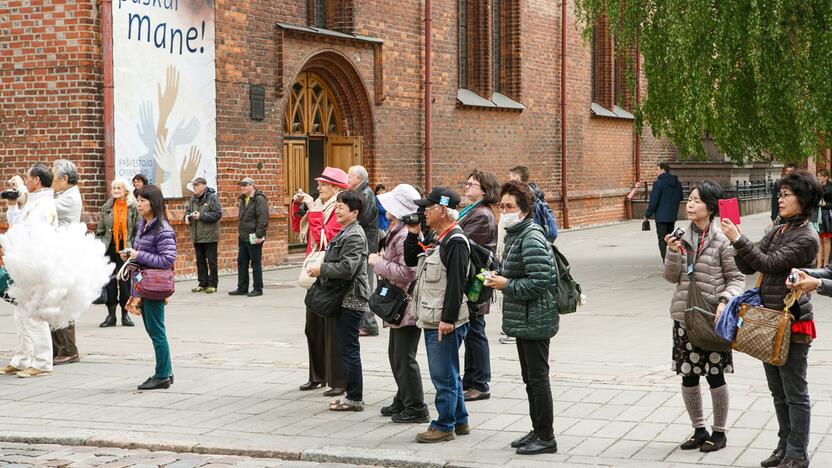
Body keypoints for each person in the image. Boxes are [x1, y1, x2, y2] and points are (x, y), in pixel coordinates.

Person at [723, 170, 821, 468]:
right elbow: (750, 265)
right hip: (769, 321)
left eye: (786, 195)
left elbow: (769, 262)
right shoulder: (779, 229)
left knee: (795, 392)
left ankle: (797, 452)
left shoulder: (807, 237)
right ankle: (784, 445)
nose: (780, 199)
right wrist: (737, 240)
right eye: (779, 194)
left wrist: (740, 241)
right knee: (778, 391)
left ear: (803, 200)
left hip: (792, 322)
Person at [662, 181, 745, 454]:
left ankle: (719, 433)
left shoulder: (722, 240)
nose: (690, 204)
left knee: (715, 376)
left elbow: (736, 278)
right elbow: (672, 277)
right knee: (687, 376)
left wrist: (724, 301)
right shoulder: (680, 236)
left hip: (711, 317)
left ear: (710, 207)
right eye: (690, 199)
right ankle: (699, 430)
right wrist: (673, 254)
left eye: (697, 200)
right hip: (684, 317)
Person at [483, 180, 559, 455]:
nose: (504, 211)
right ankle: (537, 429)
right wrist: (499, 275)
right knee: (531, 379)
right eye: (502, 206)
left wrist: (506, 284)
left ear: (525, 210)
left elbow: (541, 281)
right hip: (524, 317)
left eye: (510, 206)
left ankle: (546, 437)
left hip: (536, 318)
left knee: (538, 379)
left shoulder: (531, 236)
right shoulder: (516, 233)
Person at [403, 187, 471, 443]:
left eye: (427, 208)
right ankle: (460, 420)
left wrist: (447, 320)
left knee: (442, 375)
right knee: (450, 372)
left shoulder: (455, 241)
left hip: (444, 320)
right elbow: (411, 259)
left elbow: (456, 284)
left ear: (442, 210)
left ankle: (444, 425)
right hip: (434, 316)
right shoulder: (438, 236)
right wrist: (413, 234)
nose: (423, 212)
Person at [305, 191, 369, 412]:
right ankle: (353, 396)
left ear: (355, 212)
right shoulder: (346, 231)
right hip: (344, 297)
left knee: (349, 349)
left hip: (351, 298)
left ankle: (354, 398)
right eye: (338, 205)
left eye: (343, 206)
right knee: (346, 347)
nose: (338, 210)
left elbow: (347, 268)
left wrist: (321, 269)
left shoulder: (354, 235)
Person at [373, 184, 429, 423]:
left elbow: (408, 272)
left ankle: (415, 407)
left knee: (404, 357)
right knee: (395, 354)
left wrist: (378, 262)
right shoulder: (399, 229)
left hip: (406, 302)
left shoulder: (406, 234)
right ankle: (403, 398)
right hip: (399, 302)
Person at [291, 167, 350, 397]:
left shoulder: (338, 208)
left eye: (323, 184)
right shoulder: (319, 204)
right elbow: (299, 229)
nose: (318, 188)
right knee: (312, 327)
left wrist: (313, 209)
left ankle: (338, 380)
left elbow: (323, 237)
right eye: (319, 184)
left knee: (331, 330)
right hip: (314, 272)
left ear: (336, 188)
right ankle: (317, 375)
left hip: (329, 272)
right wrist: (299, 206)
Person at [1, 164, 58, 378]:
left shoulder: (44, 206)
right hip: (25, 264)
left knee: (35, 314)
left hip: (37, 265)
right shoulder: (34, 202)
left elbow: (33, 235)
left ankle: (43, 363)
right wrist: (13, 204)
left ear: (37, 181)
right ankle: (23, 358)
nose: (25, 181)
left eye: (28, 178)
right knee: (20, 313)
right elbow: (17, 223)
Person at [123, 185, 177, 390]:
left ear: (153, 203)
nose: (139, 203)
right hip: (142, 282)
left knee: (156, 330)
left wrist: (138, 256)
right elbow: (142, 253)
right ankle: (166, 371)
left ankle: (162, 374)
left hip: (154, 284)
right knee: (154, 329)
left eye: (143, 200)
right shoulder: (142, 225)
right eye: (137, 199)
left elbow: (167, 259)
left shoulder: (162, 229)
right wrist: (130, 256)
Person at [458, 169, 498, 402]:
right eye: (467, 183)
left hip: (476, 281)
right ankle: (471, 379)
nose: (466, 186)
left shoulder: (482, 214)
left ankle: (480, 382)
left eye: (471, 184)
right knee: (472, 330)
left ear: (484, 190)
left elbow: (464, 242)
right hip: (471, 279)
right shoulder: (473, 210)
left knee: (475, 331)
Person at [50, 160, 84, 365]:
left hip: (65, 255)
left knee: (63, 302)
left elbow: (43, 206)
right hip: (58, 254)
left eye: (52, 178)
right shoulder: (62, 194)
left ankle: (69, 350)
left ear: (64, 179)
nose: (50, 182)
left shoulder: (69, 198)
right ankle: (58, 349)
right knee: (53, 301)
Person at [96, 179, 139, 328]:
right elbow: (100, 229)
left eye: (118, 188)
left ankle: (125, 315)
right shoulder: (107, 207)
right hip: (110, 249)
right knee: (110, 283)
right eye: (113, 187)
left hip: (125, 251)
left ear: (125, 190)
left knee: (126, 283)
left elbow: (138, 229)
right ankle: (111, 316)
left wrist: (134, 247)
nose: (115, 190)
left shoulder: (133, 207)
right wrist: (101, 245)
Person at [347, 166, 380, 336]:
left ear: (358, 179)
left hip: (366, 246)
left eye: (350, 176)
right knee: (361, 284)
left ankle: (369, 323)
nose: (347, 179)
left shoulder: (365, 195)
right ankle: (363, 322)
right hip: (365, 245)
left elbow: (361, 219)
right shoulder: (361, 193)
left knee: (364, 285)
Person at [229, 177, 269, 297]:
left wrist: (259, 235)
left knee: (255, 263)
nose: (242, 187)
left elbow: (263, 218)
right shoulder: (244, 199)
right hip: (243, 236)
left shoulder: (259, 199)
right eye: (241, 185)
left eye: (245, 185)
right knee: (242, 262)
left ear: (252, 185)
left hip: (254, 236)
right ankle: (242, 287)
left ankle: (258, 288)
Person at [185, 177, 222, 294]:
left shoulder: (212, 197)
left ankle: (213, 284)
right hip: (197, 235)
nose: (194, 188)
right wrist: (186, 217)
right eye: (193, 186)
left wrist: (201, 216)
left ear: (203, 186)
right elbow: (187, 211)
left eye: (197, 185)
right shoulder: (193, 199)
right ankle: (202, 283)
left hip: (209, 236)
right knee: (200, 261)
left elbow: (217, 214)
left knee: (211, 261)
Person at [645, 162, 684, 261]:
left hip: (661, 217)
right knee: (671, 238)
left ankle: (666, 261)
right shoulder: (677, 183)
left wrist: (647, 215)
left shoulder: (659, 183)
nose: (656, 172)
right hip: (672, 216)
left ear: (663, 170)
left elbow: (654, 201)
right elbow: (681, 197)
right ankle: (673, 259)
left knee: (662, 240)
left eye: (657, 170)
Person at [817, 169, 832, 267]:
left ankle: (826, 264)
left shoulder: (830, 187)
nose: (819, 177)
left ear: (826, 177)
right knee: (818, 240)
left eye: (821, 176)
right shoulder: (815, 186)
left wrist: (825, 204)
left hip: (826, 216)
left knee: (826, 240)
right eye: (818, 175)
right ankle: (818, 264)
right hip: (816, 215)